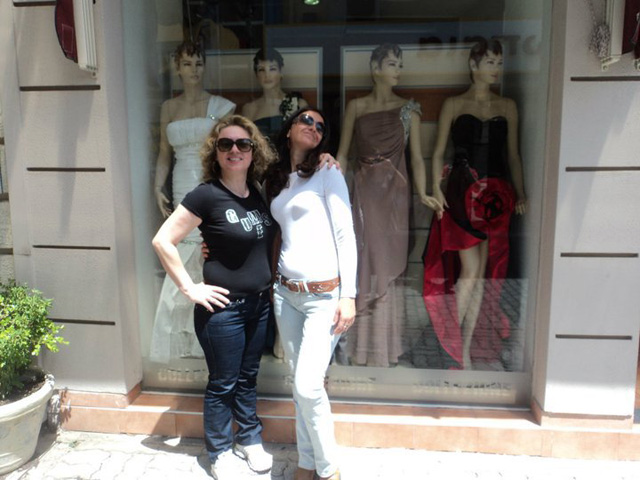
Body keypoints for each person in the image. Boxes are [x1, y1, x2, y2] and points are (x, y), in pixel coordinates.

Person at [152, 115, 276, 479]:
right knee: (223, 383)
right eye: (226, 144)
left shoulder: (256, 192)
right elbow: (163, 240)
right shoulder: (205, 195)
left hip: (258, 305)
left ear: (253, 151)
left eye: (243, 144)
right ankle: (219, 451)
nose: (235, 150)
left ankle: (249, 439)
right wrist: (189, 287)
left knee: (248, 377)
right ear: (215, 152)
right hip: (224, 311)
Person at [422, 38, 527, 370]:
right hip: (461, 193)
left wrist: (521, 192)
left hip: (496, 196)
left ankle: (463, 350)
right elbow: (438, 151)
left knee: (481, 274)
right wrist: (435, 188)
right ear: (473, 65)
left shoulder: (508, 106)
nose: (496, 69)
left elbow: (513, 155)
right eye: (490, 62)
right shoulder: (454, 104)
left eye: (500, 63)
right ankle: (448, 344)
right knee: (469, 271)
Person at [336, 43, 441, 367]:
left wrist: (423, 192)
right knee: (365, 262)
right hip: (364, 193)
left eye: (400, 65)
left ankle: (384, 347)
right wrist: (333, 191)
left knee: (389, 265)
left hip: (395, 195)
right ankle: (360, 346)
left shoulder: (409, 109)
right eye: (393, 64)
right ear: (375, 68)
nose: (399, 70)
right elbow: (343, 153)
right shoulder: (356, 106)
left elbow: (417, 158)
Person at [266, 108, 357, 480]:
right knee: (300, 386)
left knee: (307, 385)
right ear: (289, 129)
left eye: (321, 126)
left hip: (324, 298)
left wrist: (349, 295)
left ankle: (329, 469)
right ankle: (306, 464)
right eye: (306, 120)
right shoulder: (274, 178)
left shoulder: (327, 172)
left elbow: (345, 234)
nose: (314, 127)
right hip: (285, 295)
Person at [150, 41, 236, 363]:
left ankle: (210, 333)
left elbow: (229, 154)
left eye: (199, 63)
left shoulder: (221, 106)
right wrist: (156, 187)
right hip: (180, 182)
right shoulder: (168, 108)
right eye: (187, 64)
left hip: (207, 183)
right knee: (181, 244)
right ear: (177, 68)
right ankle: (182, 339)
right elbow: (163, 153)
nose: (194, 70)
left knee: (206, 249)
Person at [242, 48, 309, 143]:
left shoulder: (299, 104)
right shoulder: (250, 109)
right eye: (261, 70)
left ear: (281, 72)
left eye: (272, 69)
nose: (267, 75)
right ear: (256, 75)